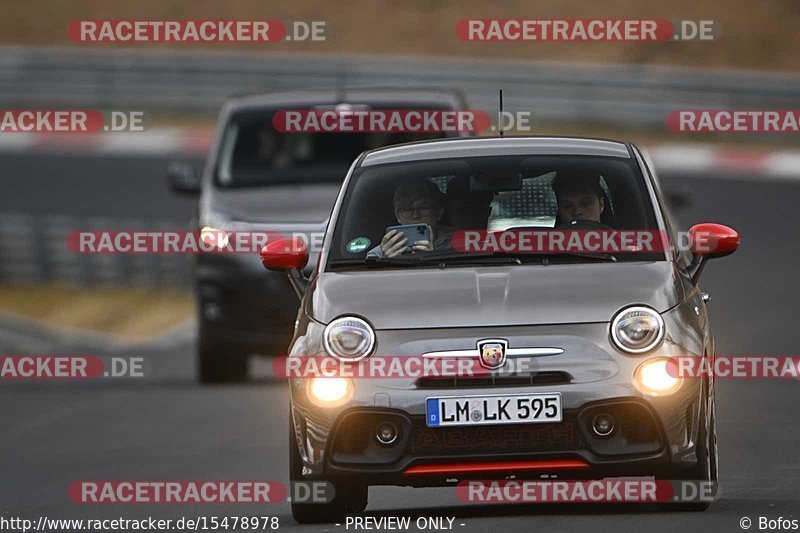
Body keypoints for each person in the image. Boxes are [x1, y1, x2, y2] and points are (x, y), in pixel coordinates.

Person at [369, 178, 454, 258]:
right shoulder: (379, 254)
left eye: (423, 208)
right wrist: (387, 262)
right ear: (398, 216)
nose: (415, 215)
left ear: (439, 213)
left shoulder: (457, 245)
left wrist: (432, 258)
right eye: (407, 209)